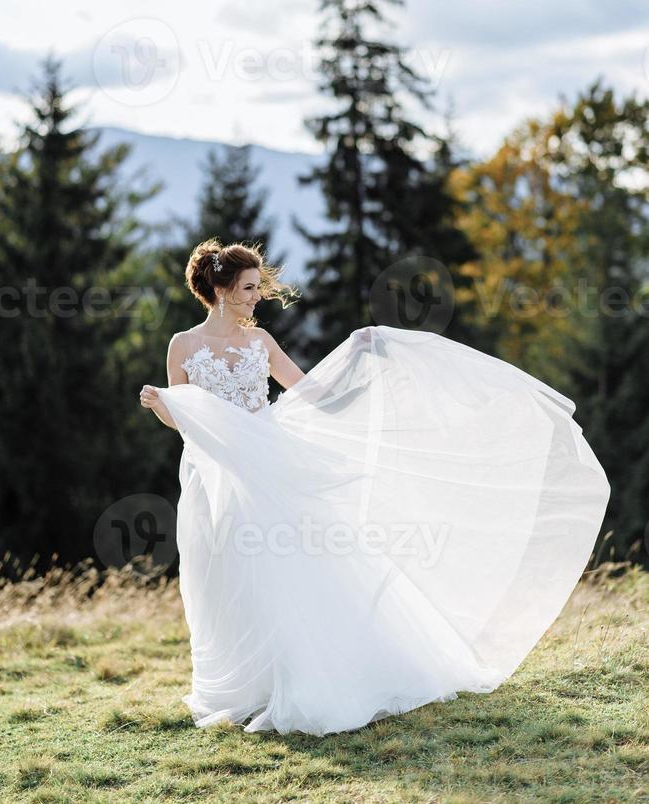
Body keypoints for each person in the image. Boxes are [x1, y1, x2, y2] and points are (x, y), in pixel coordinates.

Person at [140, 238, 610, 737]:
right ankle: (247, 688)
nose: (258, 296)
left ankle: (303, 677)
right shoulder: (184, 345)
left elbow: (312, 395)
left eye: (258, 287)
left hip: (271, 469)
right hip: (214, 473)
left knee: (284, 572)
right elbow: (185, 418)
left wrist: (359, 357)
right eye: (250, 288)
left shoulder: (262, 344)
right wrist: (160, 404)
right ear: (219, 288)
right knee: (225, 575)